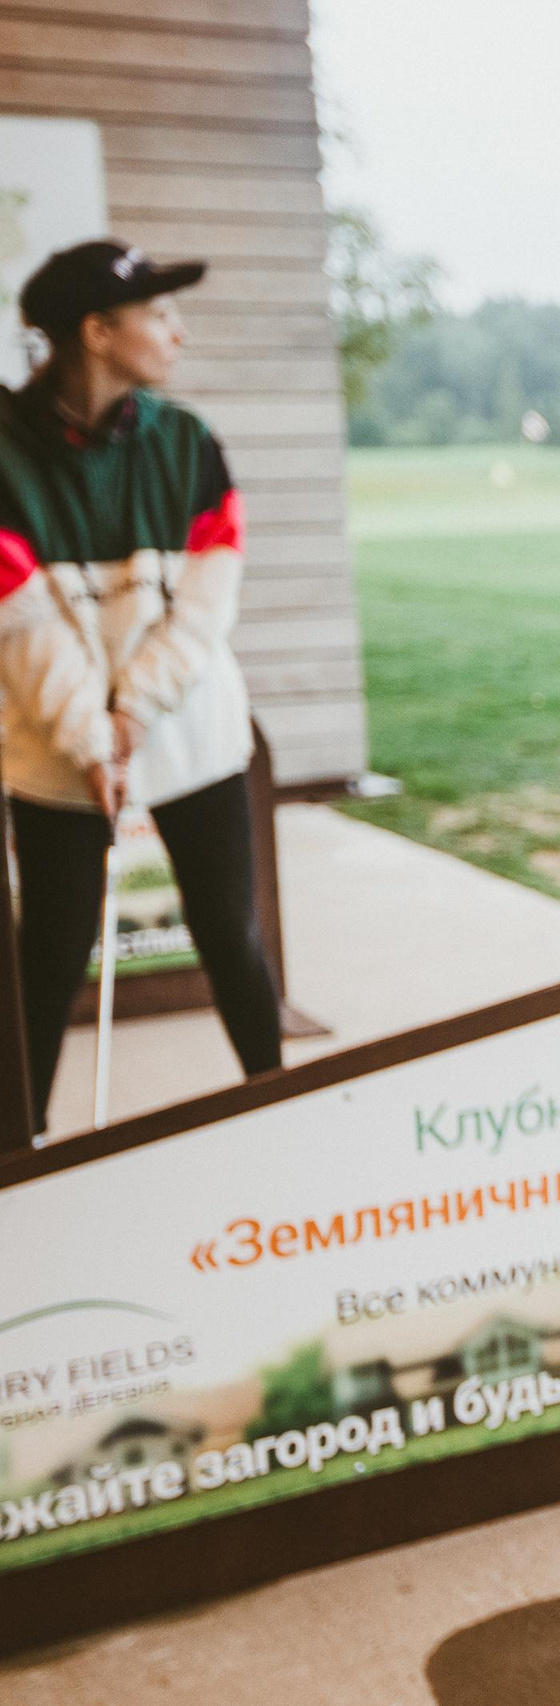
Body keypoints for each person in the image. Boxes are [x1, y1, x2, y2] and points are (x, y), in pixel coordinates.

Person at [0, 240, 280, 1138]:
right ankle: (19, 1154)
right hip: (56, 750)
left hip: (190, 736)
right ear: (97, 331)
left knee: (231, 936)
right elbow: (22, 620)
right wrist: (90, 736)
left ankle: (279, 1110)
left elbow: (206, 603)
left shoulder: (189, 442)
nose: (178, 333)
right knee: (47, 957)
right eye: (159, 314)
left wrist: (132, 713)